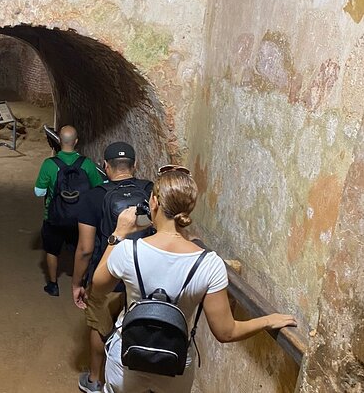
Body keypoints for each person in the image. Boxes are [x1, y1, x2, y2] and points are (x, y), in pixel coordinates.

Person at [92, 165, 297, 393]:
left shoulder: (128, 251)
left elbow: (98, 288)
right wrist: (267, 321)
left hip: (127, 353)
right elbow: (226, 332)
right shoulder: (209, 264)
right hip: (174, 360)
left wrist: (119, 233)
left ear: (155, 203)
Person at [71, 142, 154, 393]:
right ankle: (137, 380)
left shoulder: (93, 197)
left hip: (107, 274)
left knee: (99, 326)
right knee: (137, 323)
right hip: (143, 273)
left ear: (105, 167)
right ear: (135, 165)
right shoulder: (150, 191)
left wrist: (77, 283)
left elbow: (85, 248)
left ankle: (96, 379)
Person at [34, 125, 103, 296]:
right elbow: (98, 187)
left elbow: (38, 192)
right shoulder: (86, 164)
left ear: (59, 140)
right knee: (82, 249)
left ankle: (53, 285)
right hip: (81, 216)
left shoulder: (49, 164)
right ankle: (81, 282)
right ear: (76, 141)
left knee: (52, 250)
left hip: (54, 216)